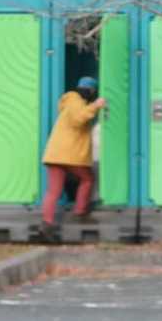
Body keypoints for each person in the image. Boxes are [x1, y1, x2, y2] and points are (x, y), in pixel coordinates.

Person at [38, 76, 105, 238]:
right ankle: (79, 213)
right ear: (90, 90)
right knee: (87, 179)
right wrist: (96, 105)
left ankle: (46, 224)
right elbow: (78, 119)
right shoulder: (76, 102)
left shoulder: (70, 102)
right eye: (93, 91)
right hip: (68, 155)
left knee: (53, 190)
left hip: (55, 154)